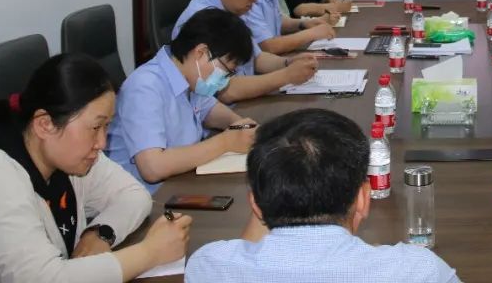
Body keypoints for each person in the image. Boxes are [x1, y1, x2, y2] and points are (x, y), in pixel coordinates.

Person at [0, 54, 191, 283]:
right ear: (44, 124)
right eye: (96, 127)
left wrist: (100, 233)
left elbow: (133, 194)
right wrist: (149, 252)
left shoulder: (59, 149)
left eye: (107, 126)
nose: (102, 142)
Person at [185, 108, 461, 283]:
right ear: (363, 199)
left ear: (255, 205)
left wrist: (267, 195)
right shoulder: (418, 273)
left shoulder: (207, 267)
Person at [108, 8, 259, 192]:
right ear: (201, 52)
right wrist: (225, 142)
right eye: (226, 71)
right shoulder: (145, 87)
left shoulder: (190, 77)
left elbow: (209, 110)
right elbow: (152, 168)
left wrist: (239, 125)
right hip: (151, 197)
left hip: (181, 183)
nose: (225, 80)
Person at [173, 0, 318, 101]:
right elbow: (226, 90)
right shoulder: (201, 18)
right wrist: (286, 76)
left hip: (246, 101)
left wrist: (288, 63)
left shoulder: (233, 8)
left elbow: (256, 58)